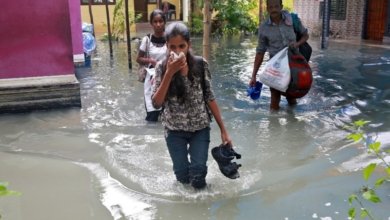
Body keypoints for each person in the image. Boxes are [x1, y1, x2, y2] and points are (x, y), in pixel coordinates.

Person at [151, 22, 232, 189]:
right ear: (166, 46)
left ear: (188, 44)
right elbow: (156, 103)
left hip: (199, 128)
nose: (177, 51)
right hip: (174, 129)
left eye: (182, 46)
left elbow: (210, 97)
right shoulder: (161, 68)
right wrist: (169, 73)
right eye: (172, 47)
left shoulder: (201, 65)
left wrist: (224, 130)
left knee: (198, 173)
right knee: (182, 176)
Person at [249, 0, 309, 111]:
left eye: (276, 6)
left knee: (291, 97)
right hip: (276, 68)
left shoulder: (292, 20)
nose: (274, 9)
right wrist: (254, 76)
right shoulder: (264, 28)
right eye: (270, 7)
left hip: (294, 66)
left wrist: (297, 44)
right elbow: (260, 52)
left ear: (281, 6)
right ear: (267, 9)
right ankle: (273, 125)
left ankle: (294, 123)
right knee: (274, 99)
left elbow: (305, 35)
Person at [136, 9, 167, 122]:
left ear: (164, 22)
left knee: (167, 114)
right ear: (151, 23)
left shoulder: (170, 39)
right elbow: (138, 58)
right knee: (152, 115)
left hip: (166, 77)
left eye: (161, 21)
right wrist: (152, 61)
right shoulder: (147, 39)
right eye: (155, 21)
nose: (158, 24)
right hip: (151, 79)